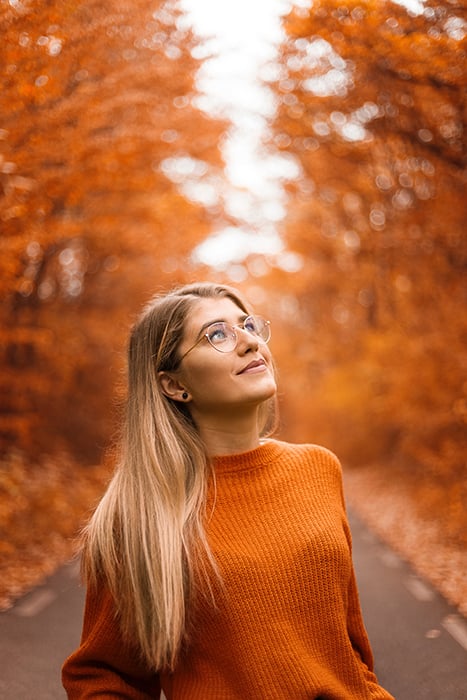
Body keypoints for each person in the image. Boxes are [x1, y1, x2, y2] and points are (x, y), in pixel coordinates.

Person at [62, 281, 395, 699]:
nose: (249, 343)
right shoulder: (143, 516)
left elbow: (350, 651)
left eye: (249, 326)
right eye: (216, 335)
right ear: (173, 385)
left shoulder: (318, 468)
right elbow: (103, 677)